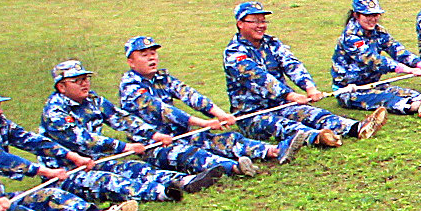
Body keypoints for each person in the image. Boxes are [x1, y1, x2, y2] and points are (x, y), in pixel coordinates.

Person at [0, 81, 176, 209]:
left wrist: (73, 158)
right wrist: (46, 170)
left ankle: (179, 183)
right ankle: (160, 194)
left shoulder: (1, 124)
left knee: (134, 169)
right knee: (38, 206)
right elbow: (1, 160)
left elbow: (33, 141)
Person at [118, 35, 306, 165]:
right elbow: (165, 111)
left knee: (226, 139)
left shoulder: (162, 77)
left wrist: (220, 114)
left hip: (179, 134)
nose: (152, 58)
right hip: (153, 143)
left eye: (153, 53)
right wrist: (204, 122)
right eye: (144, 55)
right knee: (193, 155)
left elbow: (190, 95)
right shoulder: (131, 87)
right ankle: (234, 167)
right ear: (131, 62)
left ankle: (273, 151)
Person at [33, 62, 198, 201]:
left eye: (85, 79)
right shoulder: (54, 113)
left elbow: (121, 118)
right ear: (61, 86)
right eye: (77, 81)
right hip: (65, 172)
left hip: (95, 161)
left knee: (136, 168)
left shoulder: (92, 99)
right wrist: (125, 147)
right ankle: (162, 193)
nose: (84, 84)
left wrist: (153, 134)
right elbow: (85, 140)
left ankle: (185, 181)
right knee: (110, 182)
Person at [221, 2, 359, 147]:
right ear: (240, 24)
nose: (260, 25)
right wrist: (289, 95)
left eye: (263, 21)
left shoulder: (271, 43)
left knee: (314, 114)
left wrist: (309, 87)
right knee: (285, 127)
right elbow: (259, 78)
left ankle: (355, 128)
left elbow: (292, 64)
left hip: (283, 105)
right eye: (255, 21)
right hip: (253, 114)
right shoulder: (234, 53)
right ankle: (318, 138)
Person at [332, 0, 421, 115]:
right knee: (385, 98)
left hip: (374, 84)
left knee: (405, 91)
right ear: (356, 15)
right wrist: (408, 70)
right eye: (368, 16)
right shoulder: (350, 38)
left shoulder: (379, 32)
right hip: (349, 90)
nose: (373, 19)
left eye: (375, 15)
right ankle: (418, 107)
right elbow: (375, 61)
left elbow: (397, 50)